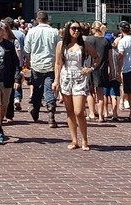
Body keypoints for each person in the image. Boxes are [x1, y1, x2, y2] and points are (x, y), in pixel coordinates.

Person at [52, 21, 100, 150]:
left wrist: (90, 68)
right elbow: (57, 63)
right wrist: (56, 80)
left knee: (79, 111)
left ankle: (84, 139)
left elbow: (97, 57)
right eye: (73, 28)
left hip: (79, 78)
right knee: (70, 111)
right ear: (68, 29)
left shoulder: (84, 44)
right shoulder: (61, 45)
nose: (76, 31)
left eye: (78, 29)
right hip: (66, 78)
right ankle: (74, 140)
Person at [25, 10, 60, 126]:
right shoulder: (54, 32)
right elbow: (59, 48)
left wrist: (27, 64)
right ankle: (51, 113)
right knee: (49, 90)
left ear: (37, 20)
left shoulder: (32, 31)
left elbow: (27, 50)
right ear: (47, 19)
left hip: (36, 64)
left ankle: (35, 109)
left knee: (37, 90)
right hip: (51, 64)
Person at [85, 21, 111, 122]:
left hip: (90, 67)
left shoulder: (89, 40)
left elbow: (86, 54)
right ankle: (101, 115)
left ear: (94, 29)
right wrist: (112, 70)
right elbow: (109, 57)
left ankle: (92, 113)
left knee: (89, 92)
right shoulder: (106, 41)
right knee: (100, 94)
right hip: (102, 68)